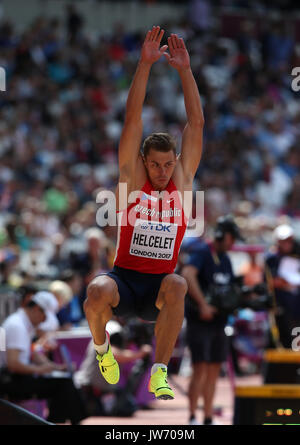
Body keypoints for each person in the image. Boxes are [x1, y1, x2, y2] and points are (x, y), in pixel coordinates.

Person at [84, 26, 204, 400]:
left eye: (169, 164)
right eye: (155, 165)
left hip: (158, 290)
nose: (163, 172)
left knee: (179, 283)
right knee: (95, 290)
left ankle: (159, 372)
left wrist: (185, 70)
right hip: (124, 280)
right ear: (144, 163)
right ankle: (103, 351)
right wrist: (145, 65)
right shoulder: (133, 183)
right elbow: (132, 120)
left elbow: (196, 124)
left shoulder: (181, 184)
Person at [181, 215, 244, 425]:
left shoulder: (225, 259)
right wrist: (202, 304)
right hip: (199, 321)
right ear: (223, 235)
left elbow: (228, 289)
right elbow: (188, 274)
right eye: (232, 238)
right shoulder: (202, 251)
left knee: (214, 369)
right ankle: (192, 416)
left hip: (219, 321)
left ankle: (207, 417)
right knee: (200, 368)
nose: (233, 243)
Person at [0, 292, 87, 424]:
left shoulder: (21, 323)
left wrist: (55, 368)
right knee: (63, 384)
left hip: (15, 377)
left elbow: (31, 354)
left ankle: (61, 421)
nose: (43, 321)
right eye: (44, 316)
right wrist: (40, 370)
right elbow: (13, 364)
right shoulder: (17, 325)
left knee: (63, 381)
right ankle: (58, 421)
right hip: (9, 380)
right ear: (36, 309)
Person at [265, 224, 300, 348]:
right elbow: (272, 281)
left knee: (296, 342)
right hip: (280, 308)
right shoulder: (272, 258)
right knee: (283, 342)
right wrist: (287, 283)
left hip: (296, 308)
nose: (287, 243)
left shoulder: (296, 255)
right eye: (284, 240)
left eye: (289, 240)